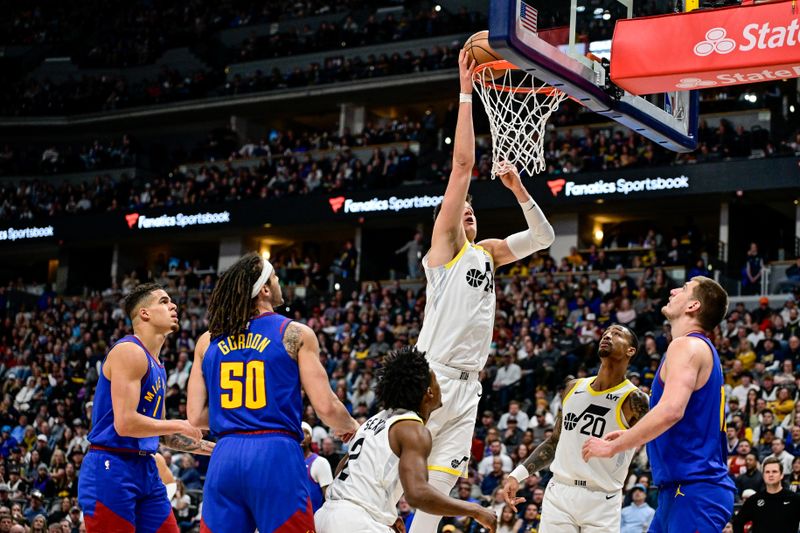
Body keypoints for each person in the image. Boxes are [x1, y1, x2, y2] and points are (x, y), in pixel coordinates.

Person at [409, 48, 555, 533]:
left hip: (469, 385)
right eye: (458, 209)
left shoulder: (488, 252)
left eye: (472, 208)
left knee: (438, 492)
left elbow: (542, 239)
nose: (466, 210)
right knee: (393, 482)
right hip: (430, 376)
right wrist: (466, 92)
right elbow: (463, 165)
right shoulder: (444, 249)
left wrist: (518, 189)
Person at [187, 253, 359, 533]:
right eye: (276, 277)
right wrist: (351, 427)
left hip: (225, 455)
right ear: (265, 289)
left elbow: (195, 417)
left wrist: (236, 414)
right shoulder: (294, 333)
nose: (280, 282)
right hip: (275, 452)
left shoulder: (207, 340)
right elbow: (326, 407)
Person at [583, 276, 736, 532]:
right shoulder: (696, 347)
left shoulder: (686, 345)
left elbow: (671, 411)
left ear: (693, 306)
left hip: (695, 489)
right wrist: (634, 435)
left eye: (684, 289)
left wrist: (615, 447)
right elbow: (683, 416)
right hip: (677, 491)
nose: (674, 290)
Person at [315, 347, 497, 533]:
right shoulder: (413, 429)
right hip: (357, 522)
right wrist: (474, 510)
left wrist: (387, 512)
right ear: (429, 393)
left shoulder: (374, 420)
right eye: (435, 380)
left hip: (325, 515)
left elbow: (343, 469)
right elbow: (417, 494)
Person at [78, 283, 213, 532]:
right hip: (112, 465)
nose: (173, 305)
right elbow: (126, 423)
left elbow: (161, 433)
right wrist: (181, 422)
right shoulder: (129, 351)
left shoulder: (158, 365)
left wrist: (217, 450)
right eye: (164, 301)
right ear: (144, 314)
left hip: (146, 469)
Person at [502, 325, 649, 531]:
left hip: (603, 498)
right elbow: (555, 441)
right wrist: (516, 475)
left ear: (630, 351)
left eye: (616, 333)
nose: (607, 335)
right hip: (560, 492)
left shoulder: (635, 398)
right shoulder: (573, 387)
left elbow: (658, 437)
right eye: (606, 332)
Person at [732, 457, 800, 532]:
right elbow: (737, 523)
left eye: (774, 471)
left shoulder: (794, 499)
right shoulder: (754, 500)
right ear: (763, 475)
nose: (770, 475)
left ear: (781, 475)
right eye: (767, 472)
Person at [301, 421, 333, 513]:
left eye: (306, 432)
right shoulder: (289, 462)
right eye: (299, 432)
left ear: (311, 438)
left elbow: (330, 498)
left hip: (314, 521)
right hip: (294, 521)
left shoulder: (320, 462)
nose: (302, 435)